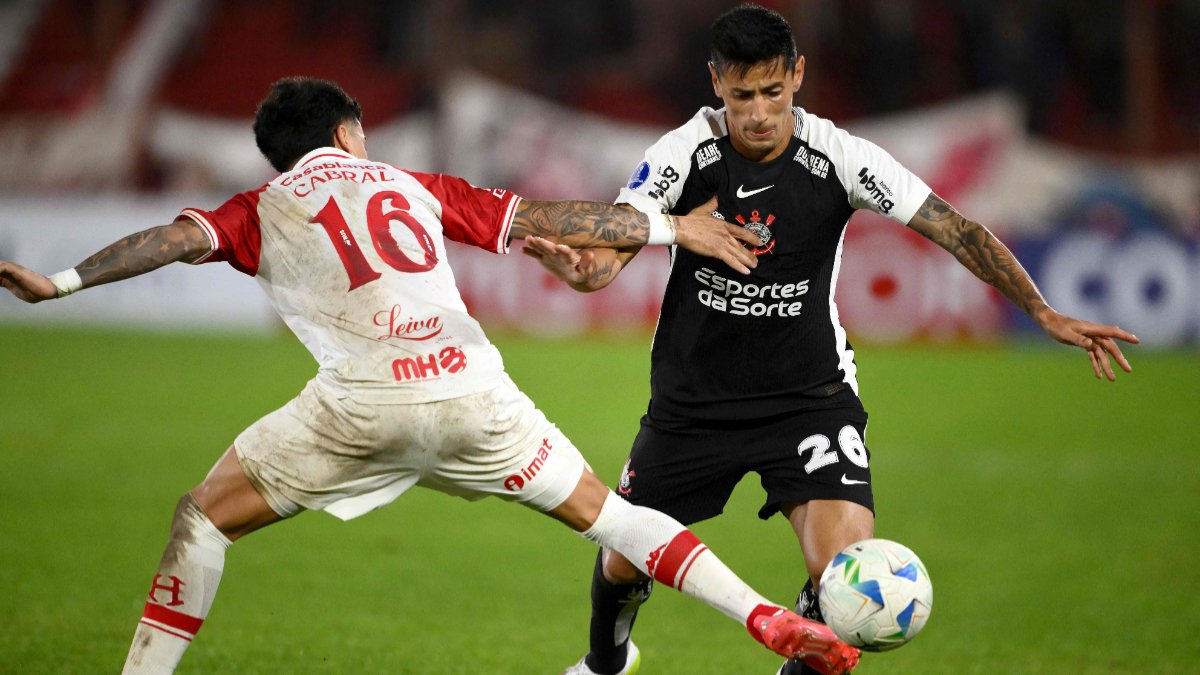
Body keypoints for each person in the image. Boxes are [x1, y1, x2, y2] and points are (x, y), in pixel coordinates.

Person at [0, 77, 863, 675]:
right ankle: (765, 616)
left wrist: (63, 281)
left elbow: (175, 239)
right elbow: (556, 217)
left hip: (355, 409)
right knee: (618, 518)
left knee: (202, 515)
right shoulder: (412, 183)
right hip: (473, 398)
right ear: (347, 133)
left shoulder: (258, 207)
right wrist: (674, 229)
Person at [525, 5, 1140, 675]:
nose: (758, 112)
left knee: (848, 583)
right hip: (693, 402)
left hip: (808, 398)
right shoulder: (684, 154)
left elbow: (953, 227)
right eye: (741, 96)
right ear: (715, 83)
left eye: (772, 91)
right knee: (621, 561)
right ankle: (606, 660)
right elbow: (618, 242)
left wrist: (1041, 310)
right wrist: (585, 272)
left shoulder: (839, 156)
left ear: (797, 74)